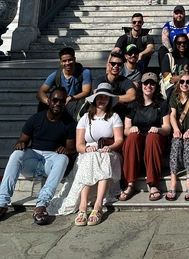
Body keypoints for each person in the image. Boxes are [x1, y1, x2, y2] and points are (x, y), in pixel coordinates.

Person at [49, 83, 124, 225]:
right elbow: (79, 145)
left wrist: (110, 147)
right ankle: (83, 206)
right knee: (89, 158)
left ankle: (98, 206)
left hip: (109, 152)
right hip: (89, 154)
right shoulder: (85, 118)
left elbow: (119, 140)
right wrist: (86, 149)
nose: (102, 100)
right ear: (95, 99)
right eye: (99, 97)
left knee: (105, 158)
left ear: (109, 100)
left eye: (105, 98)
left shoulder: (114, 117)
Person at [0, 88, 75, 224]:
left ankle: (42, 203)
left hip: (51, 160)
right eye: (55, 100)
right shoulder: (36, 119)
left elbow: (72, 148)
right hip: (33, 158)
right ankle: (2, 202)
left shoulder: (69, 123)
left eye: (62, 101)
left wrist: (66, 150)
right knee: (16, 154)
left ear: (65, 103)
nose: (58, 103)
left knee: (63, 158)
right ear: (49, 101)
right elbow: (21, 140)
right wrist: (20, 144)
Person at [120, 73, 171, 202]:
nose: (149, 86)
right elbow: (125, 129)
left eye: (152, 83)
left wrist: (158, 129)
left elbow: (167, 128)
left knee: (152, 137)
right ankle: (130, 183)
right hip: (138, 140)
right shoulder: (133, 105)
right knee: (132, 137)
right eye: (146, 83)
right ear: (141, 85)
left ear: (156, 86)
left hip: (155, 140)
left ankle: (153, 184)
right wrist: (131, 129)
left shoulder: (162, 104)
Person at [167, 72, 189, 201]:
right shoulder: (174, 97)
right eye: (182, 82)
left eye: (188, 82)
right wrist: (176, 129)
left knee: (187, 141)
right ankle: (173, 178)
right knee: (176, 141)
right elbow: (172, 116)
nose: (185, 84)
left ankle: (188, 178)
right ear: (178, 83)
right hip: (179, 135)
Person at [36, 47, 92, 119]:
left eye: (70, 60)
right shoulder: (56, 75)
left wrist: (71, 98)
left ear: (74, 59)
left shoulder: (84, 73)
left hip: (76, 102)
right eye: (64, 61)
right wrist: (49, 102)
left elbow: (86, 92)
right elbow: (40, 93)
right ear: (61, 62)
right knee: (42, 105)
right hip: (60, 103)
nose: (67, 63)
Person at [92, 52, 136, 118]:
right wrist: (119, 101)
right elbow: (98, 96)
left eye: (119, 64)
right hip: (100, 112)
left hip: (118, 114)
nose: (116, 66)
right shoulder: (98, 80)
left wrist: (110, 98)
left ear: (122, 66)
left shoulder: (126, 81)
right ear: (108, 65)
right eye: (113, 64)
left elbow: (132, 96)